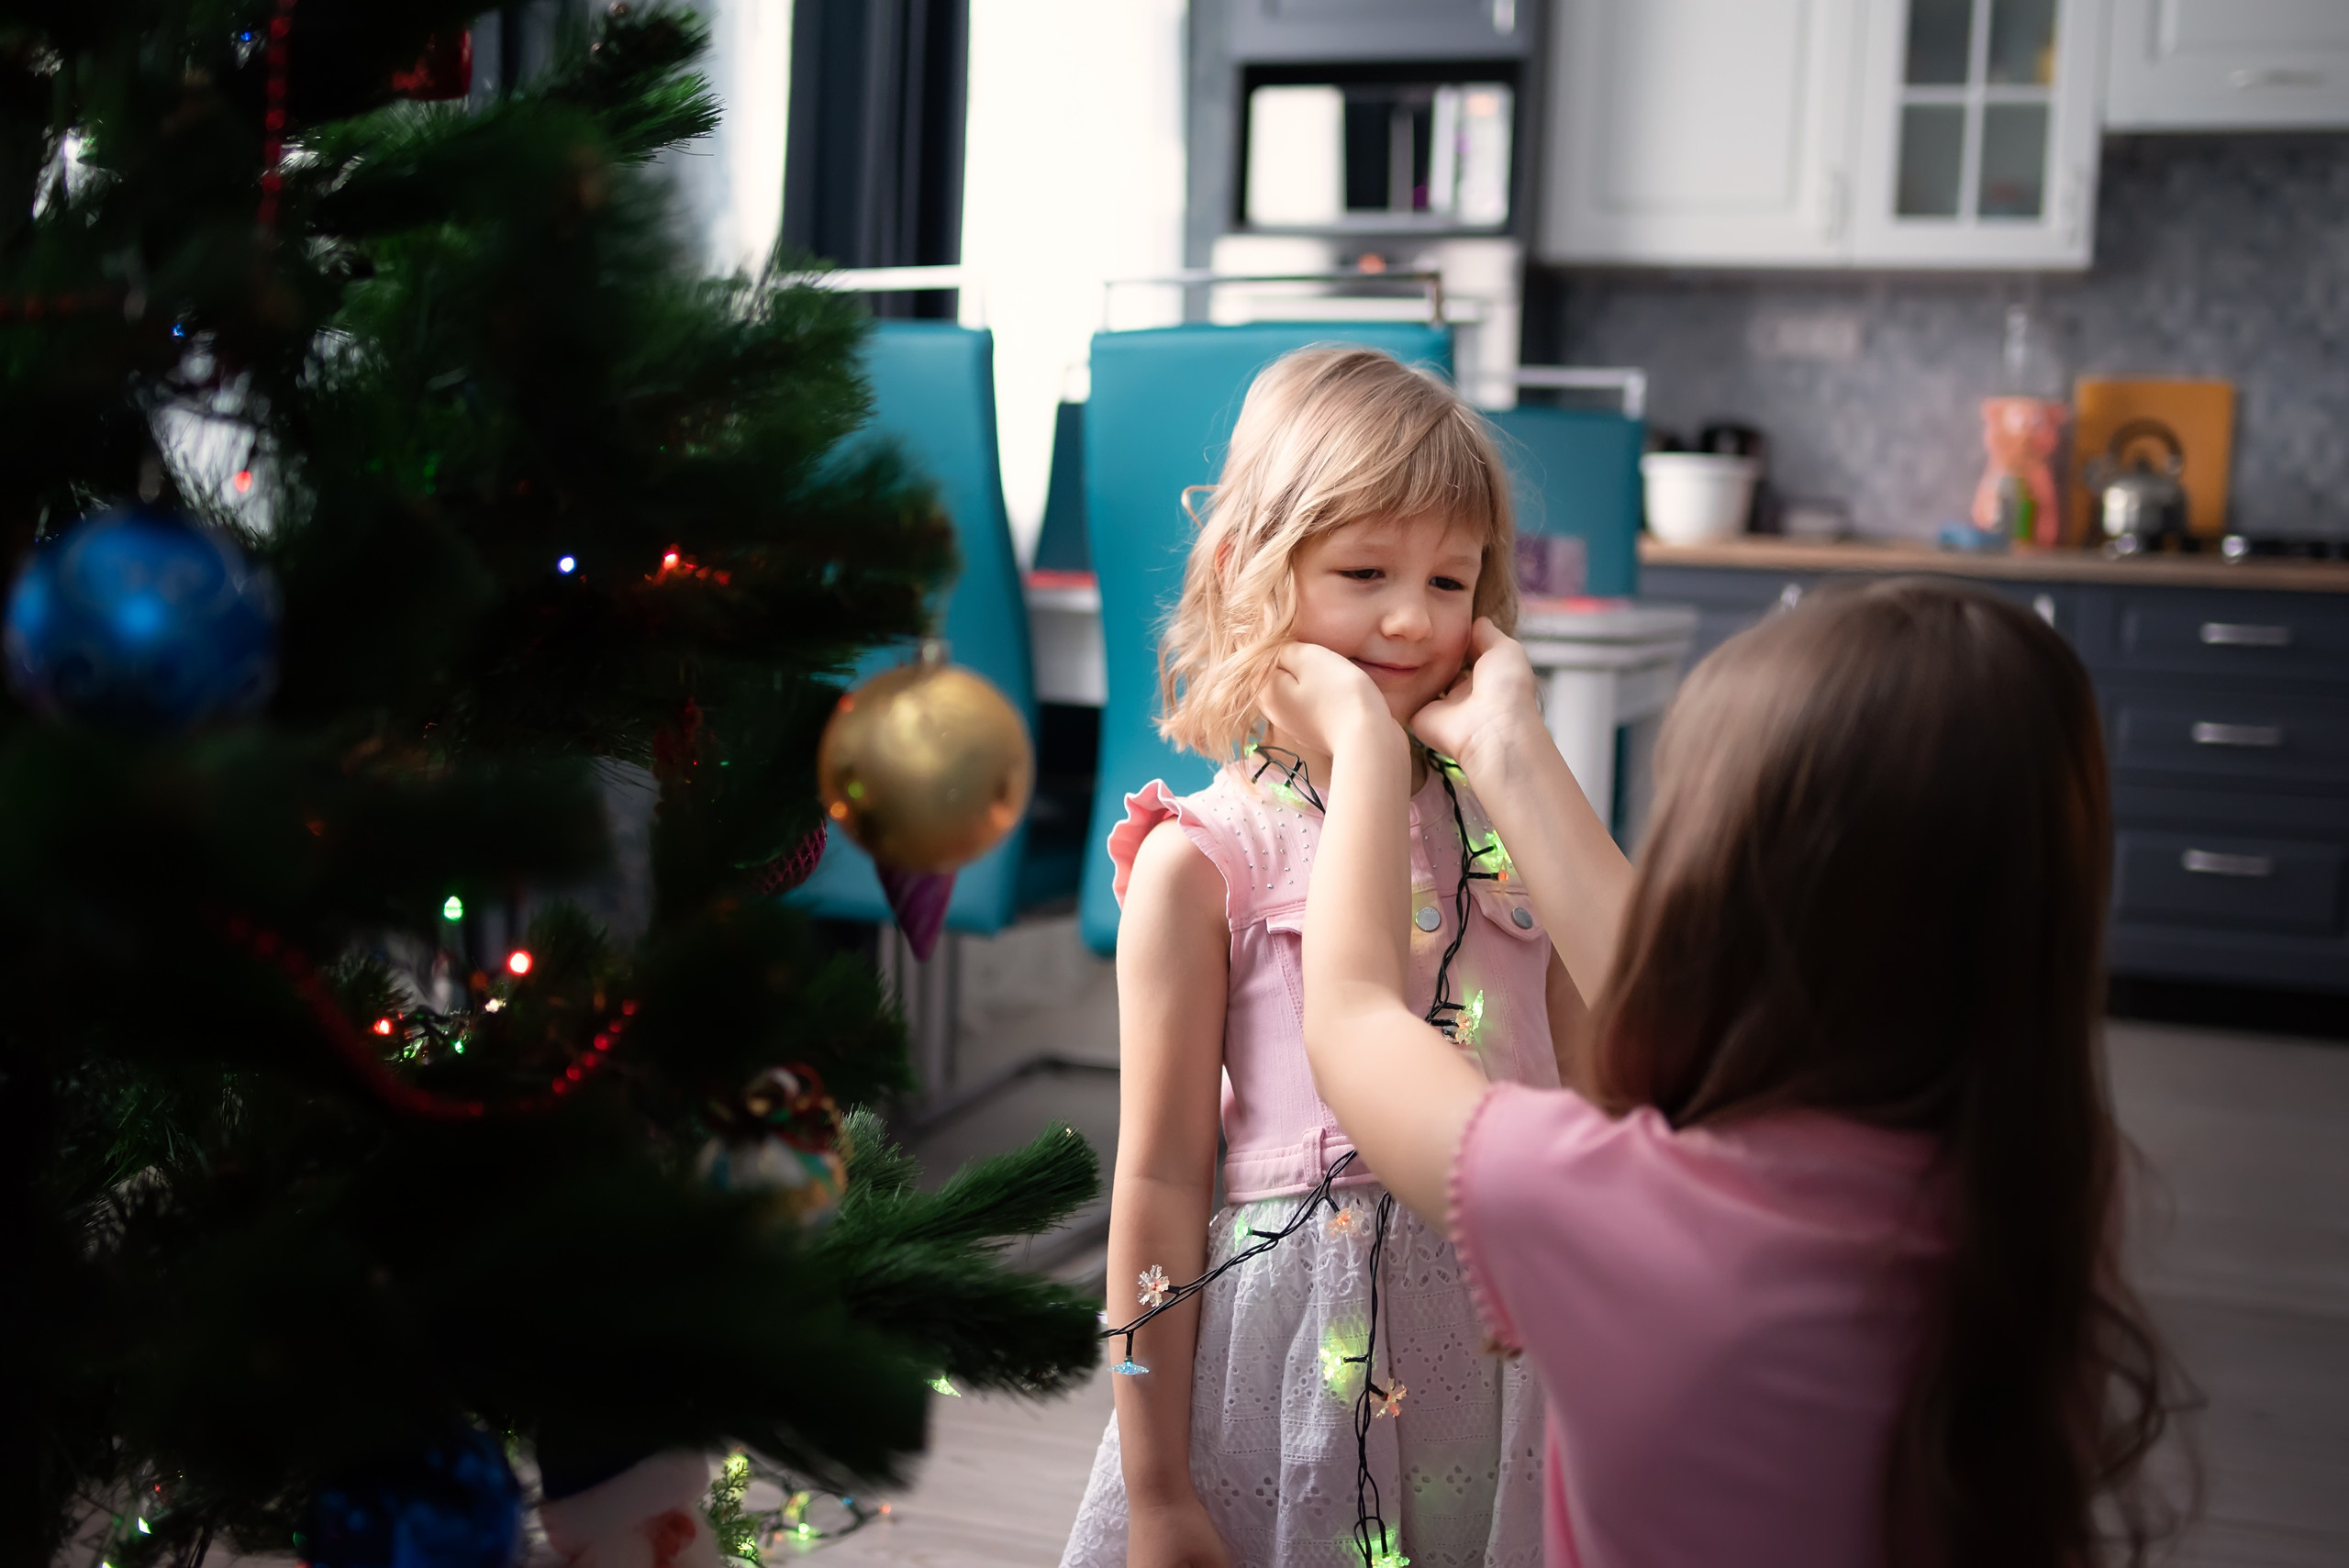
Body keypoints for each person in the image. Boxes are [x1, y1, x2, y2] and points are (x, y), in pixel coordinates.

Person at [1264, 579, 2184, 1568]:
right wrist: (1504, 744)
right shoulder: (2027, 1192)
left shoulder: (1615, 1204)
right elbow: (1679, 1032)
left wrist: (1364, 745)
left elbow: (1355, 1017)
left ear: (1723, 898)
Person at [1062, 346, 1575, 1568]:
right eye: (1364, 572)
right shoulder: (1205, 863)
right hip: (1290, 1377)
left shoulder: (1510, 827)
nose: (1414, 617)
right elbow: (1158, 1189)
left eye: (1451, 580)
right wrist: (1155, 1484)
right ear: (1249, 575)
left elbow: (1606, 1084)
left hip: (1512, 1381)